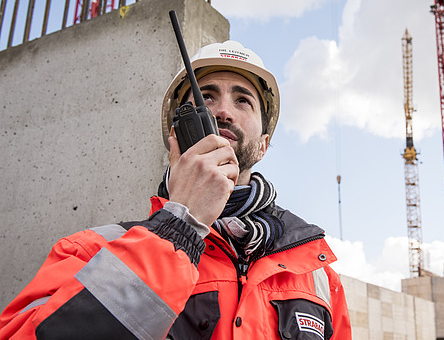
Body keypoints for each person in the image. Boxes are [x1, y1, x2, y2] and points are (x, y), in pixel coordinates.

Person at [0, 40, 351, 339]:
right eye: (207, 97)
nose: (223, 112)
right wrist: (182, 224)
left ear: (263, 145)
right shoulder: (91, 250)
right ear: (175, 136)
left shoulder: (317, 274)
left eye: (243, 100)